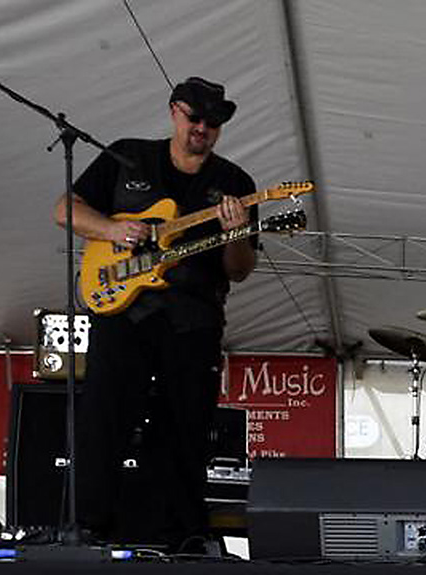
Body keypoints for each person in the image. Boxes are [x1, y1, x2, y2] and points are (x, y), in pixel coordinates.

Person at [53, 77, 256, 550]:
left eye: (213, 122)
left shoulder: (235, 185)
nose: (202, 128)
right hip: (123, 310)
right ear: (174, 112)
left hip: (194, 319)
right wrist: (112, 228)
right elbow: (65, 210)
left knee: (184, 426)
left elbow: (241, 270)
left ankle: (180, 534)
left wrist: (238, 234)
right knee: (105, 416)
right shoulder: (128, 157)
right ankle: (87, 525)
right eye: (195, 118)